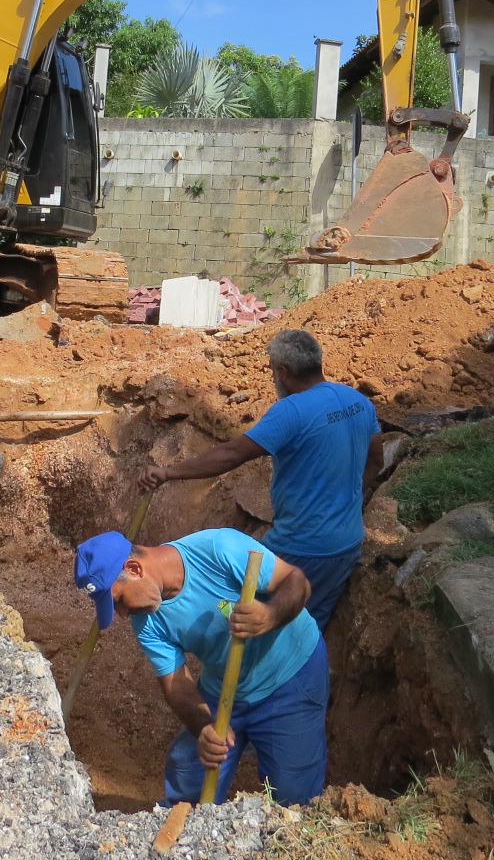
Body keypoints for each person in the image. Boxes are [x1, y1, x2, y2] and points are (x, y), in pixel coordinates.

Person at [138, 329, 380, 630]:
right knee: (309, 627)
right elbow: (375, 463)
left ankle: (242, 670)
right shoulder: (357, 401)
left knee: (240, 618)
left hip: (301, 547)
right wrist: (346, 498)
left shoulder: (291, 411)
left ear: (283, 372)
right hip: (347, 545)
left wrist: (168, 473)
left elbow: (232, 455)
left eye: (271, 369)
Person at [73, 527, 326, 806]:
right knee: (188, 771)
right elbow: (176, 683)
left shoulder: (218, 549)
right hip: (224, 685)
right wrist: (204, 727)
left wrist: (269, 615)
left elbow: (298, 581)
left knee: (293, 795)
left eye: (118, 600)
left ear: (134, 569)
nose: (122, 614)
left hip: (290, 676)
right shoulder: (145, 621)